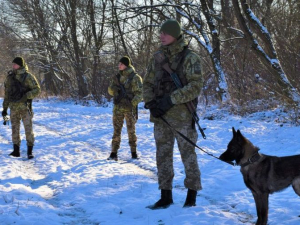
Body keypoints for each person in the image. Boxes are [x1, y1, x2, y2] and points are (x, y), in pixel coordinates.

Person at [143, 19, 203, 209]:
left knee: (188, 156)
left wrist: (170, 99)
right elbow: (148, 83)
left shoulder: (190, 57)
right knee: (162, 156)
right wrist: (151, 103)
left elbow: (195, 86)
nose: (161, 36)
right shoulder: (157, 57)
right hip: (161, 117)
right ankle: (165, 196)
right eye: (160, 33)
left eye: (165, 33)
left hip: (183, 117)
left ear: (175, 35)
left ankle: (191, 197)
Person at [2, 57, 41, 159]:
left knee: (28, 130)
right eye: (13, 64)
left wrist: (27, 96)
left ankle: (30, 152)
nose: (13, 66)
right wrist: (5, 109)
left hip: (25, 108)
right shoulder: (10, 77)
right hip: (13, 108)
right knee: (14, 130)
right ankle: (16, 151)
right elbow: (7, 94)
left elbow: (37, 90)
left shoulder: (28, 76)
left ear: (20, 65)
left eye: (15, 64)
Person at [107, 56, 143, 161]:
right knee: (116, 131)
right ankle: (113, 153)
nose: (119, 66)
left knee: (131, 131)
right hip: (118, 108)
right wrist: (114, 89)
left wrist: (132, 103)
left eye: (121, 64)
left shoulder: (135, 78)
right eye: (119, 64)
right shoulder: (117, 77)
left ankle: (134, 153)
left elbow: (140, 94)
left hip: (130, 109)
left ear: (126, 65)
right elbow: (110, 91)